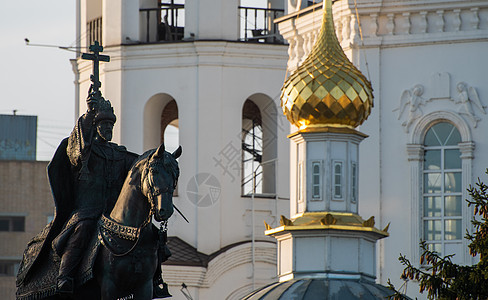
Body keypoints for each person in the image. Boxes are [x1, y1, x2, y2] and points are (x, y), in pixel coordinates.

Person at [53, 93, 138, 294]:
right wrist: (89, 115)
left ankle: (155, 276)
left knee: (147, 234)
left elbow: (137, 168)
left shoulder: (120, 154)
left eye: (111, 125)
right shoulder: (87, 152)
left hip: (113, 214)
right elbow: (77, 149)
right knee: (83, 229)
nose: (108, 129)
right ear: (95, 127)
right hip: (88, 211)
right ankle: (64, 276)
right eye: (103, 125)